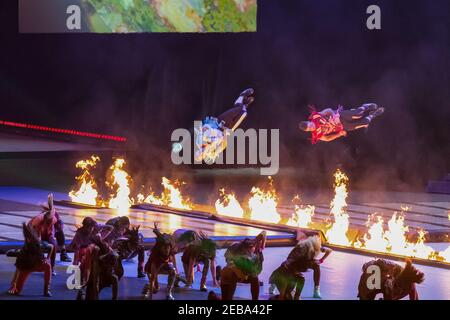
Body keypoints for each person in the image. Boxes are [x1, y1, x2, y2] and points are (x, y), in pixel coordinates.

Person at [194, 88, 255, 163]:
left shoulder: (199, 141)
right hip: (227, 129)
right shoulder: (212, 153)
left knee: (238, 108)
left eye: (198, 154)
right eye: (201, 156)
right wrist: (225, 133)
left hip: (219, 123)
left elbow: (204, 128)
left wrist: (209, 131)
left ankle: (242, 96)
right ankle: (245, 104)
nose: (200, 153)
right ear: (204, 157)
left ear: (196, 151)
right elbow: (223, 145)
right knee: (243, 113)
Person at [268, 235, 332, 299]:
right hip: (292, 263)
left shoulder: (317, 248)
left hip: (303, 262)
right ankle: (274, 283)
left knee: (316, 266)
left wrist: (321, 260)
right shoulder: (300, 249)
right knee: (285, 270)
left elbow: (329, 250)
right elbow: (288, 261)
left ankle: (316, 290)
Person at [299, 103, 385, 144]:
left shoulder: (315, 117)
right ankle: (372, 115)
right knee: (364, 123)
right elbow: (328, 139)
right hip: (342, 126)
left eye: (310, 125)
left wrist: (334, 116)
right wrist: (339, 134)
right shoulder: (317, 135)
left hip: (340, 116)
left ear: (309, 121)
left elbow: (328, 110)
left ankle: (366, 106)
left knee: (358, 114)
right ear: (308, 131)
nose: (312, 127)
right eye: (310, 129)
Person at [219, 231, 266, 300]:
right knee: (233, 275)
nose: (249, 253)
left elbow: (264, 233)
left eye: (251, 252)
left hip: (245, 273)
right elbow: (228, 259)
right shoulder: (235, 250)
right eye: (247, 252)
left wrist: (262, 243)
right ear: (243, 249)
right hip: (230, 274)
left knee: (255, 278)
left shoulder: (256, 251)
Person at [8, 223, 52, 297]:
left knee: (48, 266)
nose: (28, 239)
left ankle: (46, 290)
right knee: (17, 292)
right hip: (26, 267)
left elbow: (50, 247)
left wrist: (46, 258)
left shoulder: (37, 244)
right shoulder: (24, 250)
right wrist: (14, 283)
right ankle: (16, 288)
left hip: (36, 265)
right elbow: (18, 267)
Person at [68, 217, 113, 288]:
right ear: (84, 226)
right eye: (88, 227)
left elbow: (110, 228)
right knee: (85, 262)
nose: (89, 229)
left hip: (94, 251)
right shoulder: (79, 233)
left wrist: (99, 225)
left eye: (91, 227)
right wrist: (75, 262)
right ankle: (84, 280)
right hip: (83, 251)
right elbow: (77, 249)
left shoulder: (95, 232)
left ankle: (102, 277)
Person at [143, 223, 178, 300]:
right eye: (165, 247)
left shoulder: (169, 254)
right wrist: (150, 297)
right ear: (160, 247)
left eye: (168, 247)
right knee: (156, 288)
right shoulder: (155, 257)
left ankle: (169, 293)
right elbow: (152, 277)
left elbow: (173, 258)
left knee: (173, 272)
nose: (167, 250)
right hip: (152, 270)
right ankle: (147, 288)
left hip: (163, 267)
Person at [27, 194, 59, 274]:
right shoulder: (38, 219)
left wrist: (50, 200)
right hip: (36, 232)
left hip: (48, 234)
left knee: (54, 245)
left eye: (50, 222)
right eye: (47, 222)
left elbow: (52, 208)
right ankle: (34, 262)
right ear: (44, 219)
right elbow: (29, 226)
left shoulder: (53, 219)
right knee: (35, 245)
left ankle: (52, 266)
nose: (48, 223)